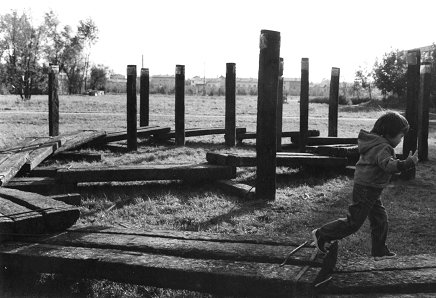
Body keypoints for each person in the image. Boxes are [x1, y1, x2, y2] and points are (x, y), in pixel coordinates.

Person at [312, 111, 419, 260]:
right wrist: (408, 163)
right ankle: (322, 234)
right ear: (389, 133)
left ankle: (379, 251)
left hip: (369, 188)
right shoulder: (383, 147)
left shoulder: (375, 142)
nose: (401, 140)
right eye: (401, 136)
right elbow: (388, 165)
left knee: (380, 219)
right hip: (367, 189)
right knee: (353, 223)